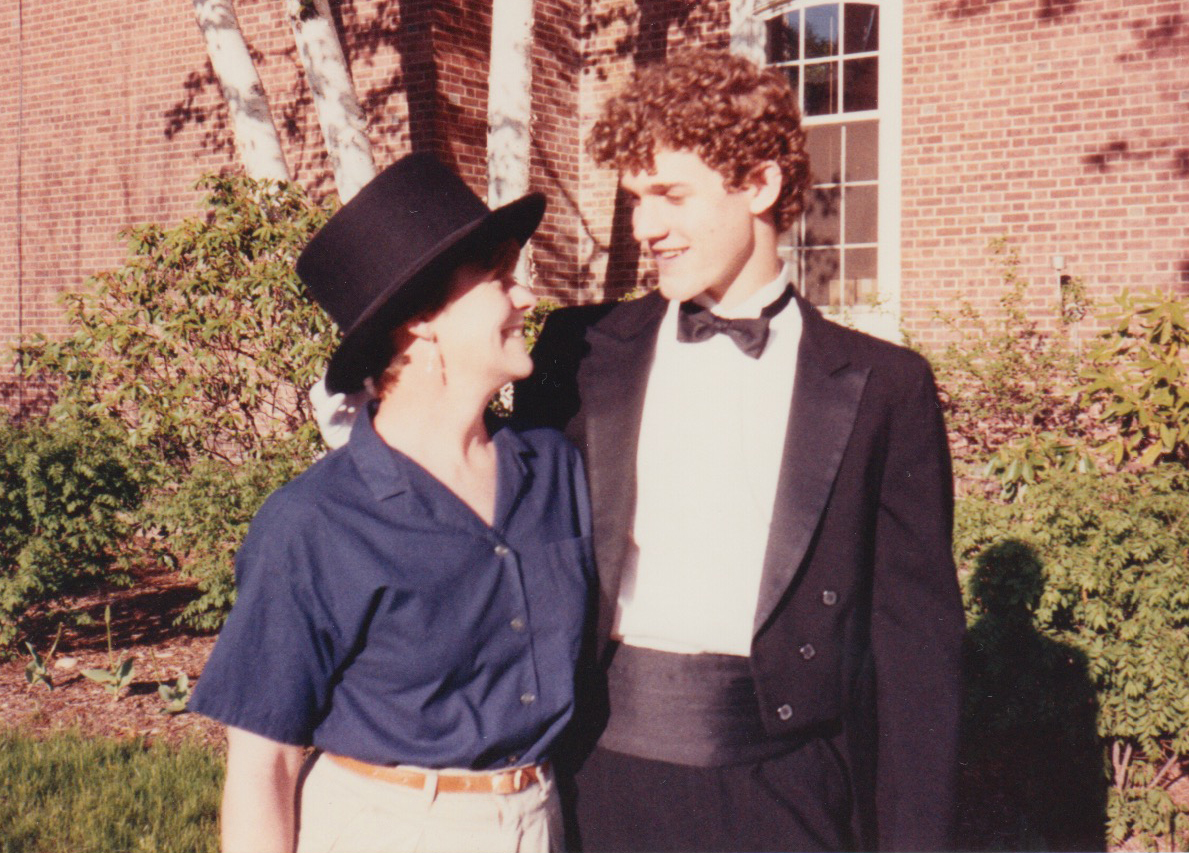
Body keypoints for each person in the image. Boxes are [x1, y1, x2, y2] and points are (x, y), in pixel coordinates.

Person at [513, 50, 965, 852]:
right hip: (596, 783)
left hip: (788, 793)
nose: (643, 227)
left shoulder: (884, 386)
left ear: (758, 185)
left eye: (671, 195)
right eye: (636, 199)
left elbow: (915, 655)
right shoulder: (576, 352)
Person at [189, 153, 594, 853]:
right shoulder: (315, 522)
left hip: (540, 819)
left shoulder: (554, 470)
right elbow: (263, 765)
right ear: (424, 319)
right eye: (497, 278)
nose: (525, 296)